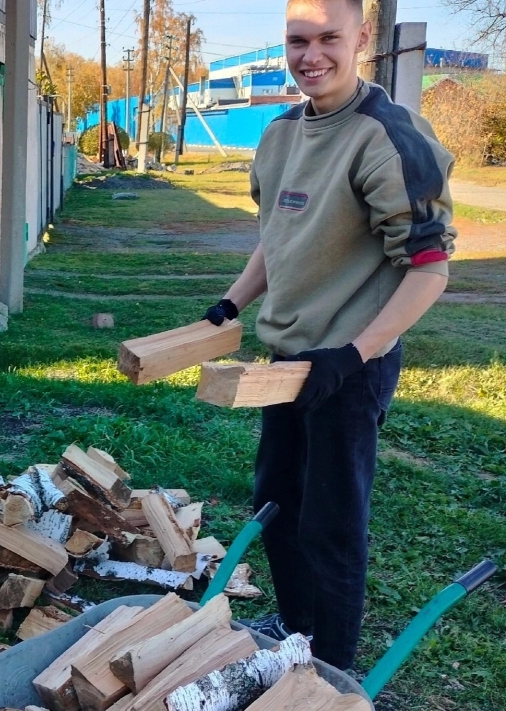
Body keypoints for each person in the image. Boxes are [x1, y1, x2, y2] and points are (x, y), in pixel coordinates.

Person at [203, 0, 456, 671]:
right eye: (296, 40)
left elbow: (430, 271)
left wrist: (352, 355)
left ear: (361, 40)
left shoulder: (388, 138)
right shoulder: (281, 133)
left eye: (328, 38)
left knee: (332, 525)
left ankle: (331, 667)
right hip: (286, 363)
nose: (310, 55)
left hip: (348, 367)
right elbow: (276, 241)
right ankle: (294, 627)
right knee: (278, 502)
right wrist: (230, 304)